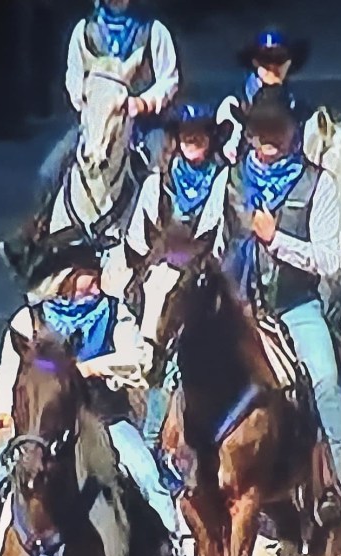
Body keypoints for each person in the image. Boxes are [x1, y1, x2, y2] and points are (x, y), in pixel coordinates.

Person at [0, 240, 196, 556]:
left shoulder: (115, 313)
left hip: (103, 417)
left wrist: (96, 367)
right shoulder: (29, 320)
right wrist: (2, 409)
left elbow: (137, 359)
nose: (95, 285)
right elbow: (10, 370)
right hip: (44, 426)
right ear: (64, 279)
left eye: (96, 278)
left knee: (145, 475)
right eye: (87, 278)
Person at [225, 84, 341, 526]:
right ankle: (179, 471)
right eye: (260, 129)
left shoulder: (319, 184)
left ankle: (332, 487)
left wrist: (275, 240)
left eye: (277, 128)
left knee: (326, 380)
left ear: (294, 130)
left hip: (295, 304)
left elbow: (330, 260)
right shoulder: (232, 179)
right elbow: (210, 235)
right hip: (238, 304)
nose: (268, 137)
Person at [126, 101, 232, 451]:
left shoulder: (223, 181)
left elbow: (216, 240)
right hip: (157, 278)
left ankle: (155, 438)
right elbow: (137, 240)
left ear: (211, 138)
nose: (192, 139)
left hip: (204, 282)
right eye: (186, 133)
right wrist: (151, 263)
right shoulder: (157, 183)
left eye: (200, 133)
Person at [64, 0, 179, 168]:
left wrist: (143, 103)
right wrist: (89, 104)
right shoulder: (85, 31)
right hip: (96, 122)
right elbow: (74, 76)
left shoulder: (154, 30)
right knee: (49, 173)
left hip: (143, 125)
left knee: (159, 163)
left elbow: (169, 79)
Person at [215, 28, 309, 163]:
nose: (272, 67)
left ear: (289, 62)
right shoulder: (233, 105)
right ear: (255, 61)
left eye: (280, 59)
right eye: (266, 59)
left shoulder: (299, 105)